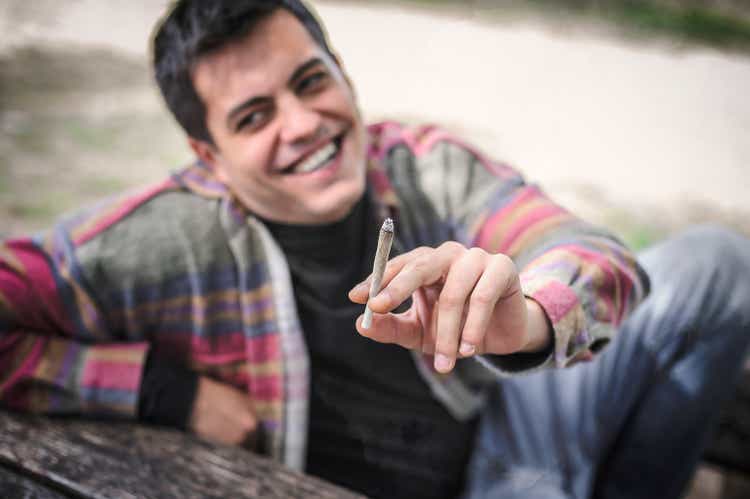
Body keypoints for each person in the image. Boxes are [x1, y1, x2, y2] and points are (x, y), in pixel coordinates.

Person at [1, 1, 748, 498]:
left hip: (512, 425)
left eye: (311, 81)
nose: (303, 124)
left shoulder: (427, 164)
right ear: (209, 154)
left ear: (346, 78)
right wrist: (166, 392)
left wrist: (523, 320)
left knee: (719, 263)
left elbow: (591, 253)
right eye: (256, 115)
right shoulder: (156, 241)